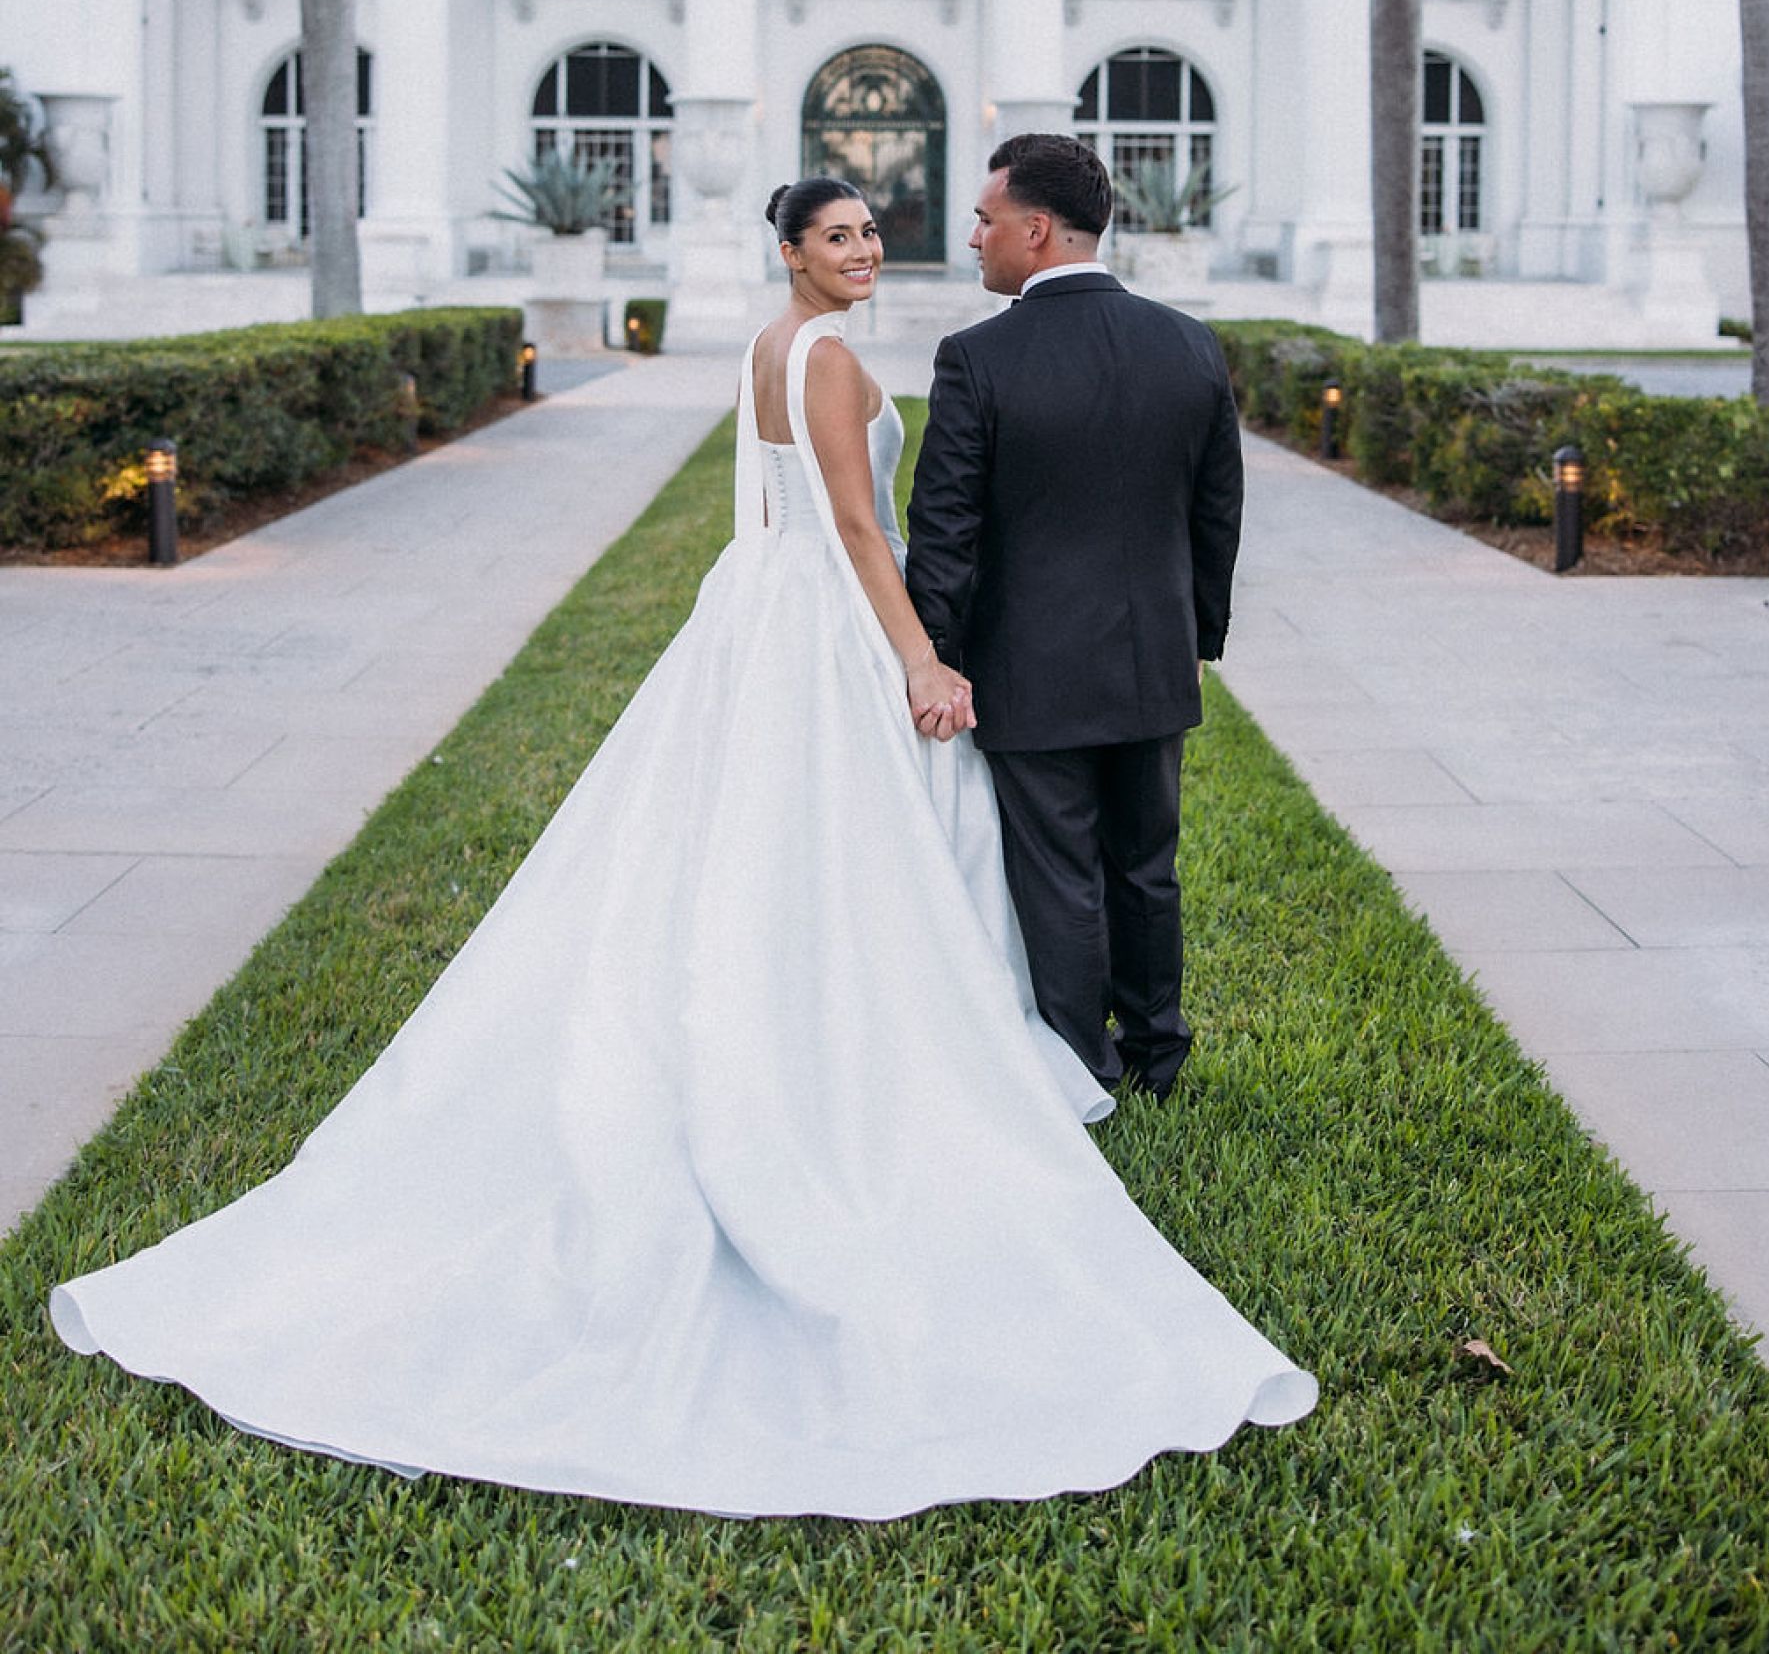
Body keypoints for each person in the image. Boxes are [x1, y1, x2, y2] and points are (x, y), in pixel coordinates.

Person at [49, 176, 1313, 1520]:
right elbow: (851, 528)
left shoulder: (772, 345)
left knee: (745, 841)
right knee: (850, 849)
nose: (866, 249)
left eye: (874, 230)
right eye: (840, 235)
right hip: (822, 618)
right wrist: (922, 655)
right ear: (789, 252)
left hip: (751, 611)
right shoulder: (829, 360)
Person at [905, 134, 1243, 1103]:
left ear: (1038, 229)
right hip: (1154, 664)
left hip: (1030, 670)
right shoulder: (1189, 342)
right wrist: (1198, 638)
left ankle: (1080, 1066)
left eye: (986, 218)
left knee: (1060, 878)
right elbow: (1217, 513)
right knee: (1147, 869)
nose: (974, 237)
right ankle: (1158, 1054)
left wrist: (935, 656)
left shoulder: (976, 358)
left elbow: (947, 531)